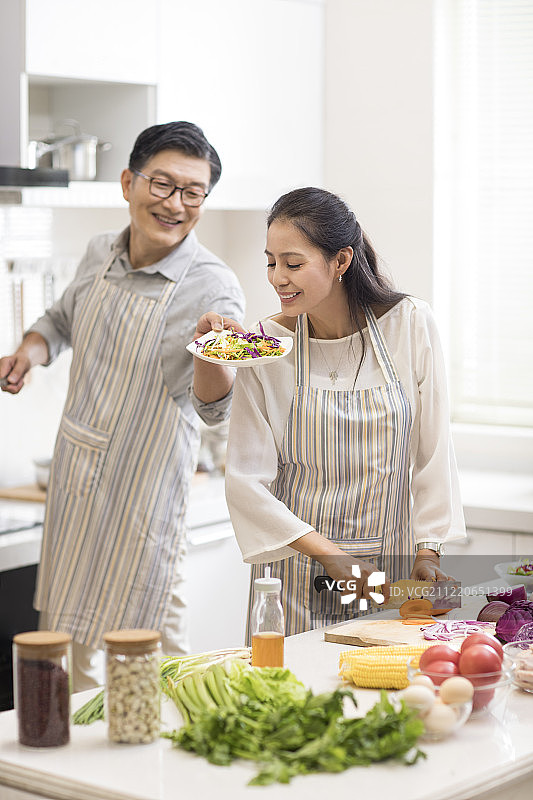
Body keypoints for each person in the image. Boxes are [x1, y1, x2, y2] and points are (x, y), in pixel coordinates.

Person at [0, 121, 245, 689]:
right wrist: (28, 353)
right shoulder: (98, 253)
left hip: (145, 508)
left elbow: (217, 410)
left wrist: (214, 353)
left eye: (193, 192)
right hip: (76, 496)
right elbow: (58, 321)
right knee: (69, 672)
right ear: (128, 182)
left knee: (152, 678)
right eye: (163, 184)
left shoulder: (213, 287)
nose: (176, 204)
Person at [224, 187, 466, 639]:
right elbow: (245, 483)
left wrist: (428, 553)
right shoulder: (262, 346)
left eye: (293, 264)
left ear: (341, 261)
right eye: (271, 262)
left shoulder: (410, 324)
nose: (277, 278)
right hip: (294, 579)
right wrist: (331, 557)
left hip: (386, 580)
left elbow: (434, 449)